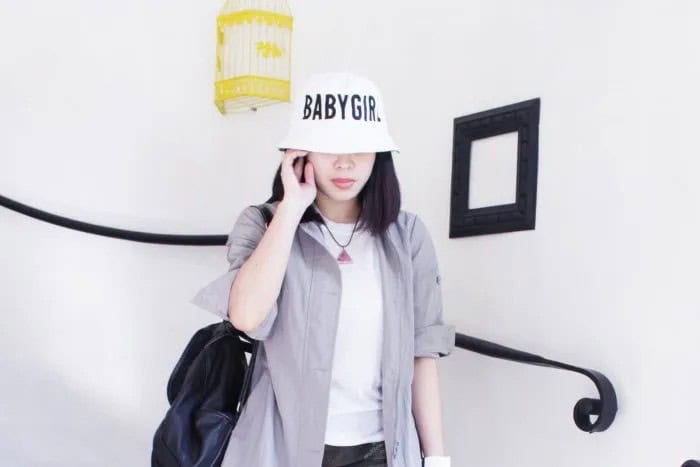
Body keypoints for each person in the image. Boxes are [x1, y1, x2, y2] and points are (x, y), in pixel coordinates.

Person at [190, 71, 456, 467]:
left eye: (360, 148)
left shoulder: (408, 237)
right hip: (281, 450)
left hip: (383, 451)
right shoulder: (262, 224)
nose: (345, 162)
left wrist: (436, 459)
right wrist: (292, 207)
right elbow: (247, 316)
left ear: (379, 155)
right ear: (301, 152)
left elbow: (422, 355)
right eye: (329, 147)